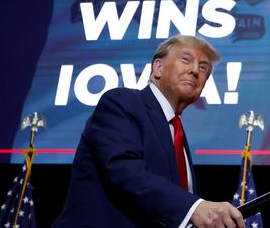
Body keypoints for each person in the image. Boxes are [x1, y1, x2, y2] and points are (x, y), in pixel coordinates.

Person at [52, 35, 245, 228]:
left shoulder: (176, 131)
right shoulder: (121, 102)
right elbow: (125, 172)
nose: (195, 70)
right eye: (186, 60)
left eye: (204, 68)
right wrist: (194, 207)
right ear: (158, 68)